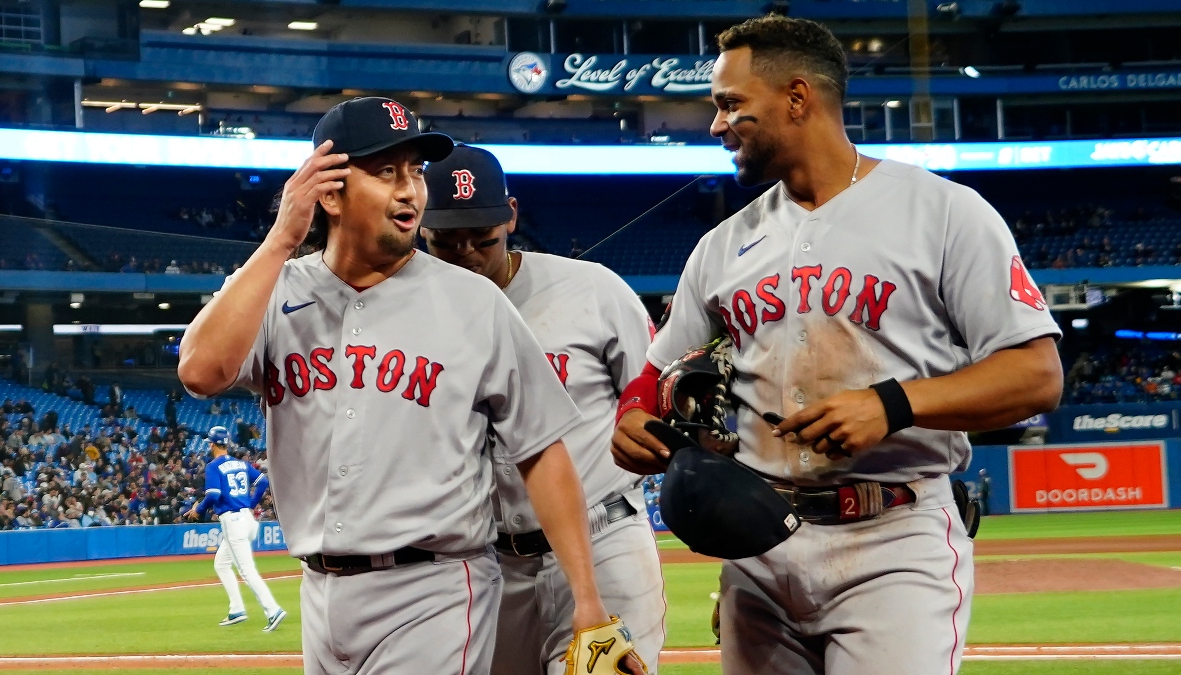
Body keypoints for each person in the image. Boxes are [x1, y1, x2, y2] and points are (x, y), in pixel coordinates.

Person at [611, 15, 1063, 675]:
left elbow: (1037, 375)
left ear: (798, 98)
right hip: (758, 542)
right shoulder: (722, 245)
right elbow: (653, 375)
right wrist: (632, 418)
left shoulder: (941, 212)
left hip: (893, 535)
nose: (716, 124)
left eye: (730, 104)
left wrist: (892, 403)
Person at [177, 97, 638, 675]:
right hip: (320, 594)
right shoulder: (273, 287)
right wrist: (278, 242)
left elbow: (542, 453)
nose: (411, 191)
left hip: (436, 587)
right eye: (386, 172)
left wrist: (588, 604)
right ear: (329, 191)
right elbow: (200, 373)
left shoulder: (474, 301)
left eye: (415, 171)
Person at [422, 145, 667, 674]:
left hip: (604, 542)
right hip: (488, 561)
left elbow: (649, 398)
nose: (465, 251)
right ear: (419, 225)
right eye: (446, 241)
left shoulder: (593, 290)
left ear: (511, 214)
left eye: (482, 238)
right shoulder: (409, 318)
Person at [185, 425, 285, 630]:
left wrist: (199, 509)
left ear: (212, 444)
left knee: (246, 570)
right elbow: (263, 482)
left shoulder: (213, 466)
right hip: (247, 519)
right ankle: (236, 609)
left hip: (233, 522)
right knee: (221, 564)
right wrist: (250, 502)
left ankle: (273, 610)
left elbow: (213, 495)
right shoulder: (240, 463)